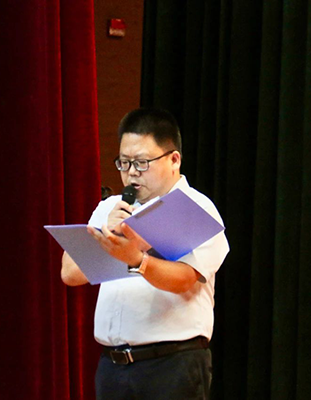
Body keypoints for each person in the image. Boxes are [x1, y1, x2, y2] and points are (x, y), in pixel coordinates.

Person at [61, 108, 229, 400]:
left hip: (171, 364)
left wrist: (137, 260)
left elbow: (184, 280)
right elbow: (70, 273)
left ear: (174, 159)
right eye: (124, 162)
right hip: (113, 365)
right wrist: (108, 234)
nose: (131, 173)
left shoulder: (194, 208)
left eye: (141, 163)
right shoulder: (111, 208)